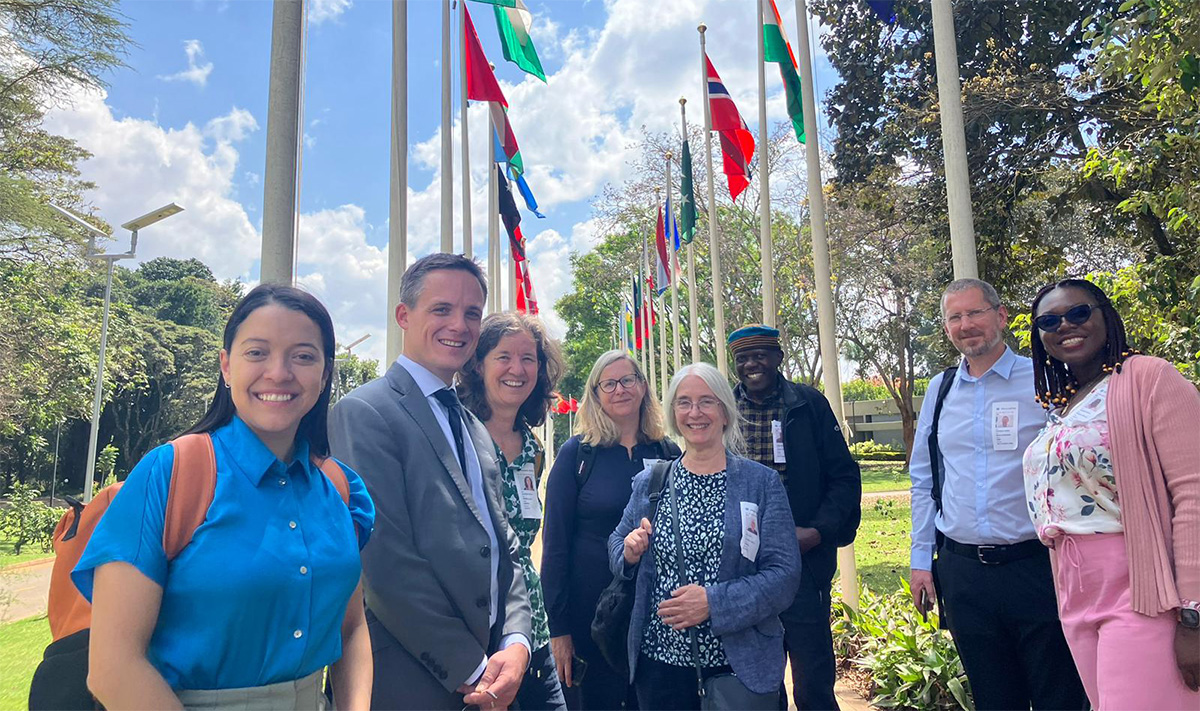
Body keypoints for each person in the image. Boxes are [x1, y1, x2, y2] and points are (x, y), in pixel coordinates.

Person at [74, 284, 375, 710]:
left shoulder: (340, 490)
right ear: (227, 366)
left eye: (303, 356)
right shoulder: (169, 474)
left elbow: (351, 628)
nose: (279, 372)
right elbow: (113, 667)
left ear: (325, 373)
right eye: (257, 353)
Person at [329, 254, 532, 711]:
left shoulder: (474, 427)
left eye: (472, 313)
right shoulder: (366, 412)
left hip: (496, 677)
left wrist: (517, 640)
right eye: (441, 309)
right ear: (404, 315)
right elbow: (384, 562)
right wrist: (474, 669)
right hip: (412, 682)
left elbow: (504, 544)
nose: (458, 325)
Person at [909, 278, 1085, 710]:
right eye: (955, 317)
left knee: (1059, 694)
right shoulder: (940, 389)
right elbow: (923, 478)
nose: (966, 325)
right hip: (964, 573)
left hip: (1037, 567)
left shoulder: (1044, 377)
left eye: (975, 313)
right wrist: (921, 561)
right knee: (992, 697)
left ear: (1001, 316)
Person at [1024, 278, 1199, 708]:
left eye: (1078, 313)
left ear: (1106, 316)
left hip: (1141, 586)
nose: (1065, 325)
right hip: (1073, 587)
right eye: (1049, 320)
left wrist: (1194, 614)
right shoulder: (1062, 404)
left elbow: (1193, 495)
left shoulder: (1150, 377)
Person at [609, 363, 801, 710]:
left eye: (706, 402)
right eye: (684, 402)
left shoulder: (761, 484)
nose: (694, 413)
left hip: (737, 672)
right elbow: (617, 542)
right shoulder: (651, 483)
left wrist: (714, 602)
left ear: (725, 411)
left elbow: (784, 576)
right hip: (660, 670)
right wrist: (629, 551)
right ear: (672, 413)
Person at [727, 324, 861, 710]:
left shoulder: (807, 405)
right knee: (755, 681)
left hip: (801, 561)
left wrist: (817, 532)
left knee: (813, 677)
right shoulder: (723, 411)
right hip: (741, 568)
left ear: (778, 358)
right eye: (743, 358)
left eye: (760, 355)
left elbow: (843, 477)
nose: (752, 364)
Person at [541, 350, 680, 710]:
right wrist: (559, 630)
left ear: (643, 387)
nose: (620, 390)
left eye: (627, 380)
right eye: (609, 383)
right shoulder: (578, 455)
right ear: (596, 394)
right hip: (589, 617)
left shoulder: (668, 452)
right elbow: (554, 546)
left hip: (655, 616)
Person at [458, 312, 567, 710]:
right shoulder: (455, 435)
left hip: (532, 631)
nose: (517, 369)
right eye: (504, 356)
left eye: (528, 359)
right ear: (478, 363)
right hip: (475, 637)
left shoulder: (531, 448)